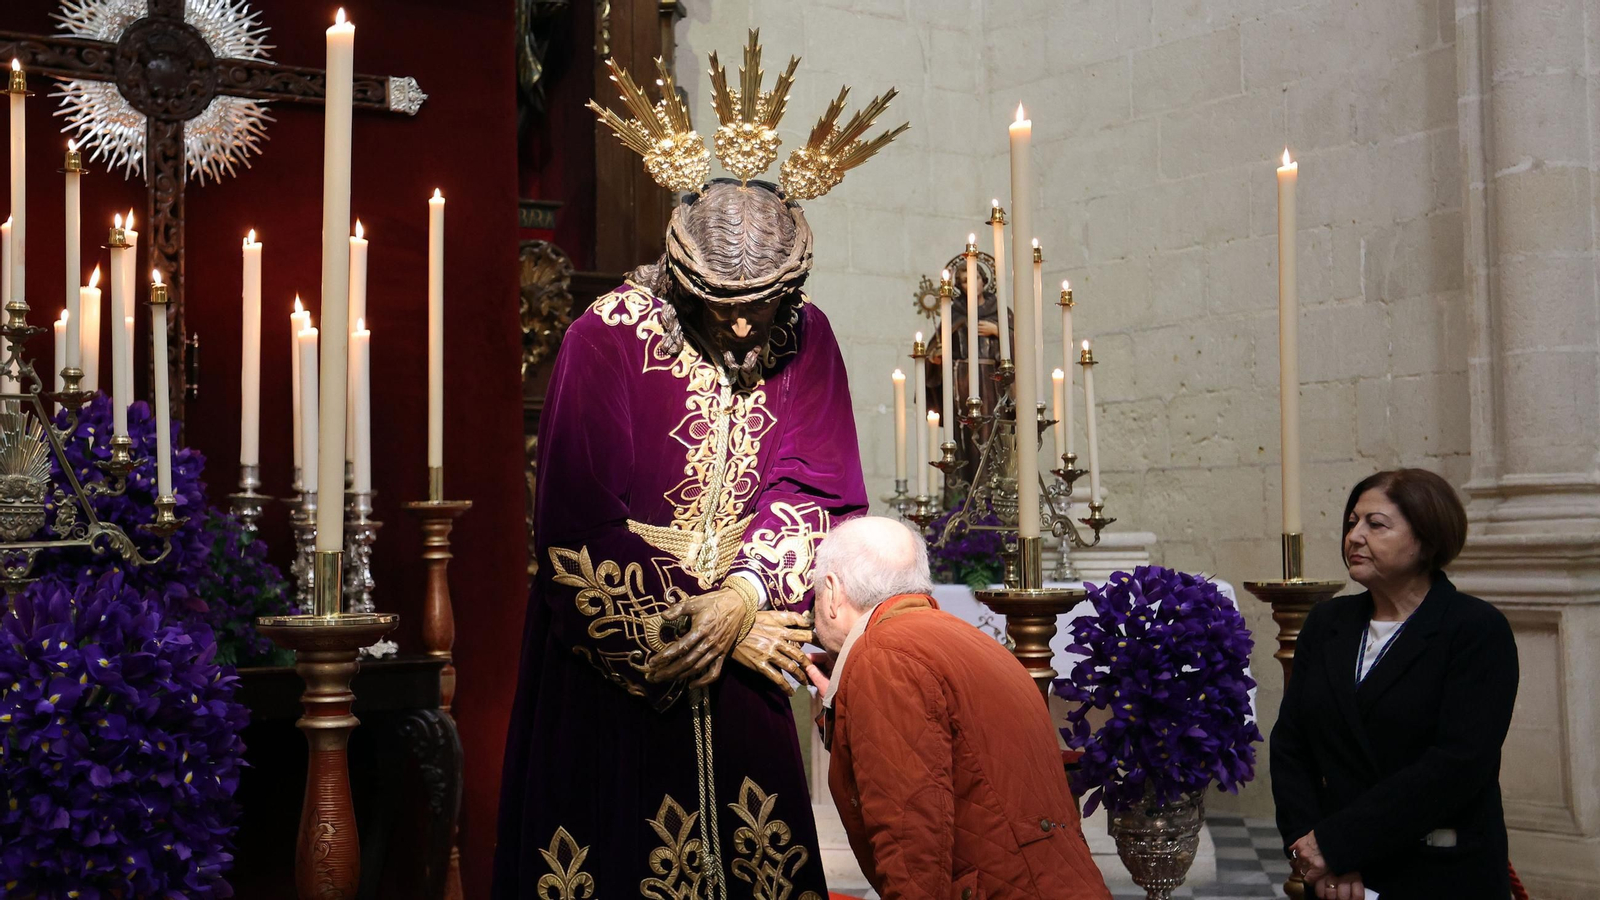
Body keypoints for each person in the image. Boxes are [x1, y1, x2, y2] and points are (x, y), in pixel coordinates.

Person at [803, 517, 1112, 900]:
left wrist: (866, 675)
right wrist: (848, 699)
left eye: (815, 595)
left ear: (833, 591)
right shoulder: (966, 637)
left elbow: (910, 835)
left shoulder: (882, 656)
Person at [1271, 468, 1519, 900]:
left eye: (1376, 524)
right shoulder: (1327, 623)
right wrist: (1310, 854)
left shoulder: (1474, 629)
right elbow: (1291, 745)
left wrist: (1339, 844)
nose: (1354, 536)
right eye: (1352, 522)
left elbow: (1457, 765)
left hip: (1437, 873)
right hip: (1334, 879)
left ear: (1426, 539)